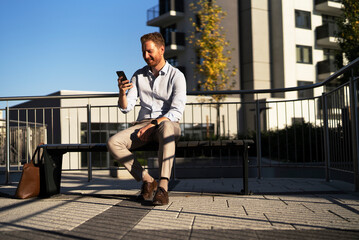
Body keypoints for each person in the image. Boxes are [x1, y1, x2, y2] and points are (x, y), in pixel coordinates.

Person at [107, 32, 186, 206]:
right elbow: (126, 108)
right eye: (143, 52)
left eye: (149, 51)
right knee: (113, 142)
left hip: (167, 123)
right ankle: (148, 180)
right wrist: (122, 92)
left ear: (162, 49)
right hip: (142, 125)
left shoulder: (177, 76)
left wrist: (153, 124)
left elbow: (176, 111)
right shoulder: (138, 75)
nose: (145, 56)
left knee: (165, 127)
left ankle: (163, 188)